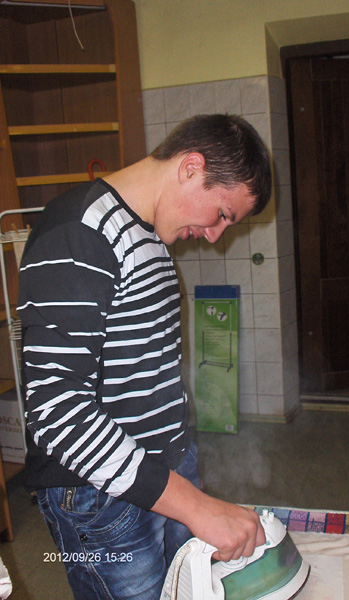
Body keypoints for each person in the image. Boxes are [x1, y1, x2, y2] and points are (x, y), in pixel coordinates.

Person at [18, 113, 272, 600]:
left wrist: (185, 475)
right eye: (222, 213)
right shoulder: (80, 231)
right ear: (191, 168)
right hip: (101, 498)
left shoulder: (149, 233)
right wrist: (195, 505)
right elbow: (57, 411)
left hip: (163, 476)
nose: (216, 235)